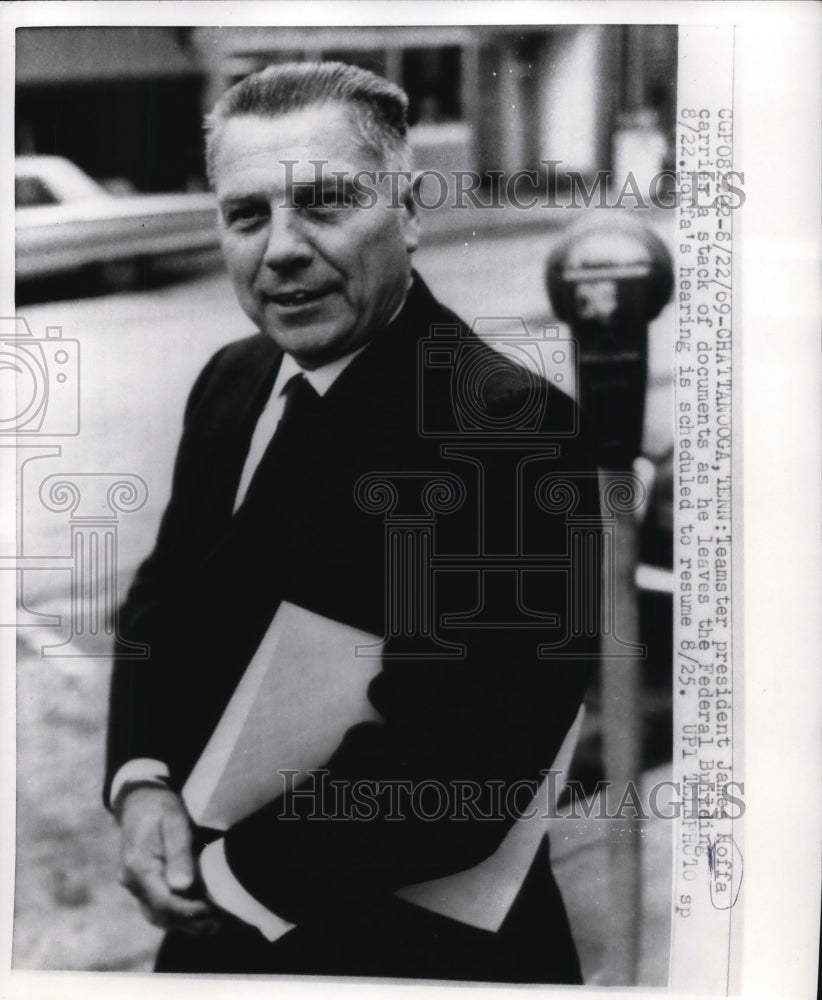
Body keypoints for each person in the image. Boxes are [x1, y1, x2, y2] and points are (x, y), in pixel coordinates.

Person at [105, 61, 601, 983]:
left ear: (409, 211)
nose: (281, 249)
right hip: (221, 927)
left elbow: (464, 770)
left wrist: (218, 875)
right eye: (247, 215)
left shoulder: (511, 430)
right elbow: (163, 598)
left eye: (325, 204)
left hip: (408, 955)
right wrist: (140, 781)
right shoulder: (231, 380)